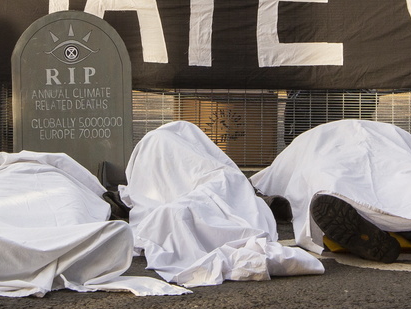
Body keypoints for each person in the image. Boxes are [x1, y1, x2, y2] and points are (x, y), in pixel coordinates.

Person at [0, 149, 186, 298]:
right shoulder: (11, 170)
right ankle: (71, 249)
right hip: (28, 184)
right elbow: (89, 184)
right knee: (59, 210)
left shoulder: (7, 170)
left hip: (28, 184)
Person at [250, 118, 411, 264]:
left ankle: (358, 229)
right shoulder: (393, 133)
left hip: (332, 150)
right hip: (390, 145)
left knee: (331, 184)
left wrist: (272, 202)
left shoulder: (309, 139)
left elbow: (266, 182)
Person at [116, 120, 324, 286]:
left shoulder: (157, 145)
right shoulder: (179, 143)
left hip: (213, 183)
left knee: (177, 213)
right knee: (185, 210)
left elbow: (150, 188)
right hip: (221, 184)